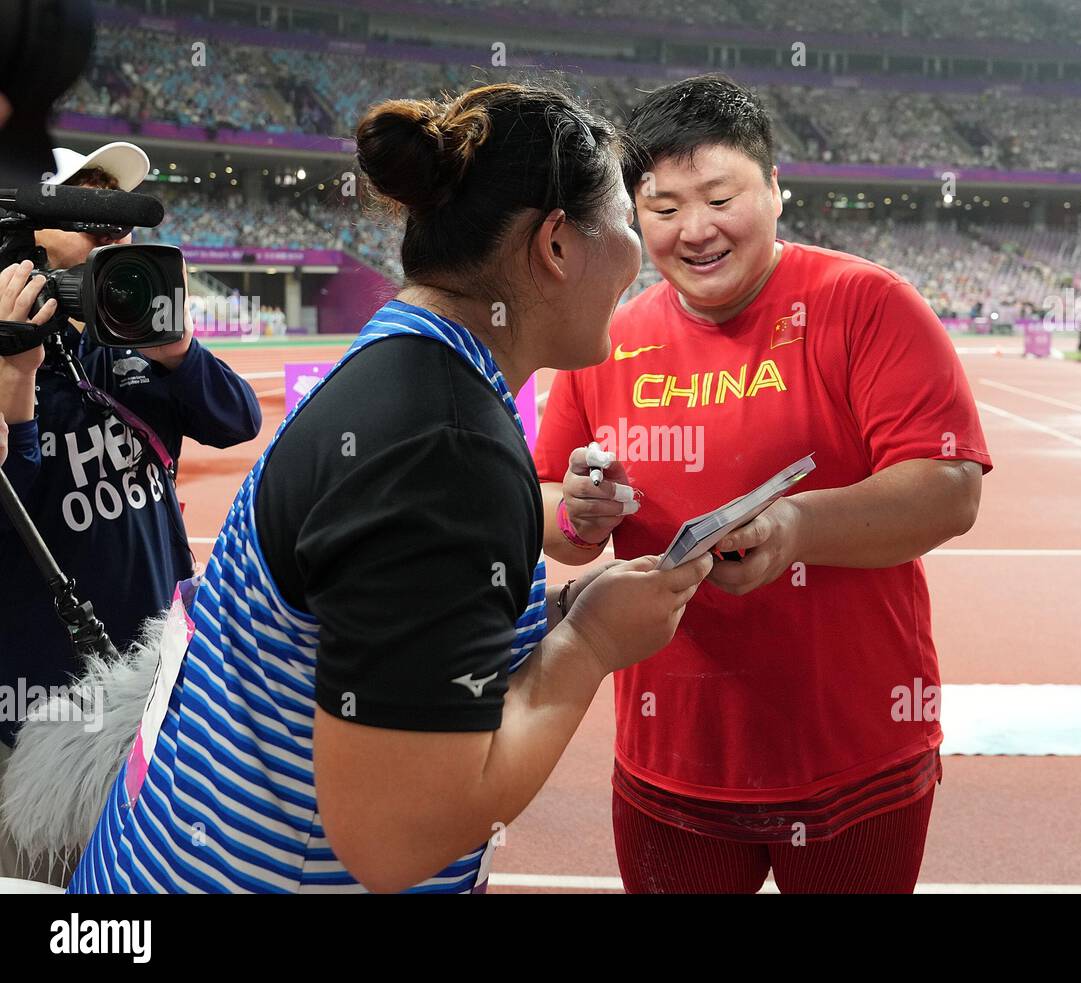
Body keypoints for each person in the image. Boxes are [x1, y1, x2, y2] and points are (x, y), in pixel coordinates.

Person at [68, 83, 713, 894]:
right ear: (555, 244)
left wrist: (562, 612)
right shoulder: (441, 450)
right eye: (626, 221)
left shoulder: (411, 364)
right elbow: (396, 840)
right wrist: (588, 648)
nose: (640, 252)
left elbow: (386, 626)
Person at [535, 75, 992, 894]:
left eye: (719, 196)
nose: (696, 230)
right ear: (635, 218)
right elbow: (552, 517)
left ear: (776, 192)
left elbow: (950, 488)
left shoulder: (868, 304)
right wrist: (575, 509)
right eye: (665, 207)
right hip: (670, 759)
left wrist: (795, 528)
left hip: (853, 754)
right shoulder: (607, 339)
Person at [0, 142, 262, 881]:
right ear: (31, 228)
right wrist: (14, 380)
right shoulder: (8, 356)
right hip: (42, 715)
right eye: (85, 201)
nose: (108, 224)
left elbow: (237, 417)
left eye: (117, 212)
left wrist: (177, 348)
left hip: (155, 684)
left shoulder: (128, 345)